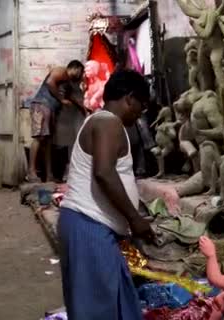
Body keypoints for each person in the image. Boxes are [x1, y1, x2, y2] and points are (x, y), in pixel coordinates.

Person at [58, 70, 154, 320]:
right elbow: (104, 172)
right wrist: (134, 218)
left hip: (93, 226)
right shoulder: (107, 122)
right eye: (141, 106)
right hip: (89, 226)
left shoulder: (102, 122)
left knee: (113, 302)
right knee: (98, 309)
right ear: (130, 98)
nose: (140, 113)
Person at [27, 60, 85, 182]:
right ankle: (31, 172)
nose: (80, 75)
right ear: (74, 68)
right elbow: (50, 82)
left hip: (51, 109)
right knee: (39, 138)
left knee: (48, 142)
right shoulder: (61, 71)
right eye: (79, 72)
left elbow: (72, 97)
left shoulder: (68, 83)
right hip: (41, 105)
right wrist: (61, 100)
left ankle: (49, 175)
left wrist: (84, 109)